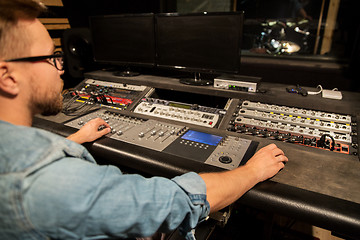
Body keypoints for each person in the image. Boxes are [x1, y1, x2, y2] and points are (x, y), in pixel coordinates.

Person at [0, 0, 288, 239]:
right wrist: (253, 171)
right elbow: (177, 202)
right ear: (8, 77)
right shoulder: (49, 183)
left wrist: (74, 140)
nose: (60, 69)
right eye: (51, 58)